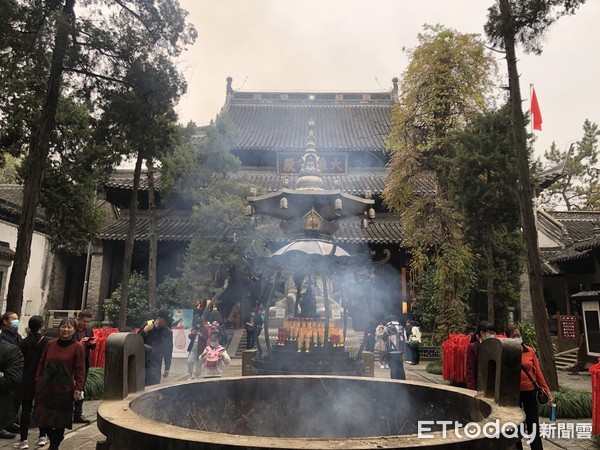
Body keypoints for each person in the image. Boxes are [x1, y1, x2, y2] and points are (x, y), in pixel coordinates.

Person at [34, 317, 85, 450]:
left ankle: (54, 445)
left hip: (64, 389)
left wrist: (78, 388)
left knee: (60, 420)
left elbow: (80, 369)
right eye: (63, 326)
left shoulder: (77, 347)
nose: (65, 330)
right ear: (59, 328)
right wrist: (38, 379)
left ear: (74, 330)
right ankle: (54, 438)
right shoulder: (50, 344)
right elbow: (42, 362)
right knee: (42, 419)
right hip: (46, 387)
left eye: (69, 327)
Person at [508, 324, 550, 450]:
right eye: (514, 336)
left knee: (533, 424)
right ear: (508, 337)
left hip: (530, 391)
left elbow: (538, 372)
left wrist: (546, 389)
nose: (517, 338)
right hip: (514, 394)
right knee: (516, 424)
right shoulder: (506, 352)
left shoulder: (529, 351)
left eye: (518, 335)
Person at [15, 316, 51, 449]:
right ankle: (42, 436)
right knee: (41, 407)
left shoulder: (23, 342)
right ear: (41, 325)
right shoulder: (48, 342)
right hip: (41, 378)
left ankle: (23, 439)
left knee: (26, 409)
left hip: (26, 378)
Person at [0, 311, 23, 440]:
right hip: (7, 376)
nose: (16, 321)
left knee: (14, 400)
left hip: (14, 373)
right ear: (5, 321)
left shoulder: (17, 336)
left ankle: (9, 422)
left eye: (17, 319)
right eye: (13, 319)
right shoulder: (4, 338)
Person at [73, 311, 96, 424]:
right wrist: (80, 343)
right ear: (78, 319)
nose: (86, 324)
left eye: (88, 322)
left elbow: (93, 347)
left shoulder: (89, 330)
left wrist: (92, 343)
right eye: (84, 321)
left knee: (81, 387)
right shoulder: (71, 328)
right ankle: (68, 412)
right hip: (72, 362)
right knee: (72, 386)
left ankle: (78, 413)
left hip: (84, 362)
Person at [138, 309, 174, 380]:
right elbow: (137, 340)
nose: (167, 323)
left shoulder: (167, 332)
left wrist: (167, 368)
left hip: (156, 362)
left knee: (155, 384)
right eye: (166, 320)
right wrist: (144, 331)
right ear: (159, 318)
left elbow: (168, 350)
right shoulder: (147, 325)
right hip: (143, 362)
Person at [465, 323, 495, 390]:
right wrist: (471, 389)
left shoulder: (494, 347)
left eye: (493, 333)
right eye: (490, 332)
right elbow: (470, 370)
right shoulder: (473, 347)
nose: (492, 335)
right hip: (478, 385)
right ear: (482, 333)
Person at [383, 315, 406, 380]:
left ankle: (394, 383)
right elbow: (405, 338)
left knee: (393, 368)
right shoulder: (401, 327)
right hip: (400, 351)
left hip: (391, 351)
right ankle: (403, 382)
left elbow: (384, 338)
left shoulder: (387, 328)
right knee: (400, 367)